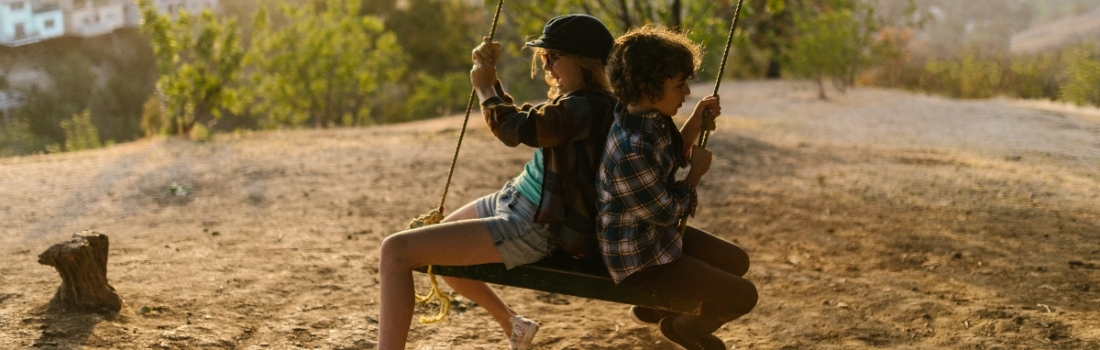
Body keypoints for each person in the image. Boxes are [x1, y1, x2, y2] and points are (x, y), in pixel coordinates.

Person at [377, 14, 618, 350]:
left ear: (585, 62)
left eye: (553, 58)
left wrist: (485, 86)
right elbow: (524, 120)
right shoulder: (577, 101)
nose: (547, 67)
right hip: (514, 198)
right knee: (444, 254)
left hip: (530, 223)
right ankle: (513, 325)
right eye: (544, 58)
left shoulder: (590, 107)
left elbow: (515, 130)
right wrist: (489, 83)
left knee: (395, 251)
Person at [596, 24, 758, 350]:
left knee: (736, 261)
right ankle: (682, 328)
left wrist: (696, 121)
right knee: (743, 296)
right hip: (639, 258)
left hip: (652, 239)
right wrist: (695, 176)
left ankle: (653, 308)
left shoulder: (647, 115)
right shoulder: (629, 147)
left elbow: (667, 155)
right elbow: (665, 212)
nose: (686, 93)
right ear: (647, 86)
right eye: (680, 84)